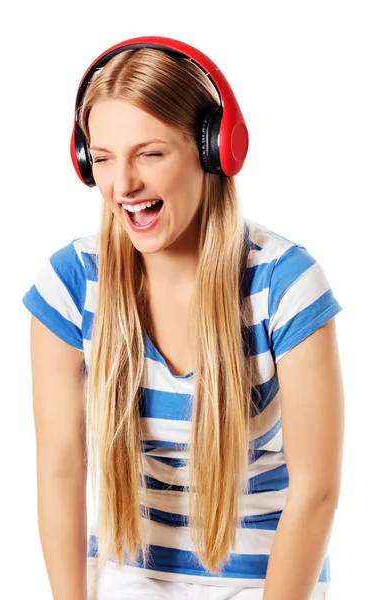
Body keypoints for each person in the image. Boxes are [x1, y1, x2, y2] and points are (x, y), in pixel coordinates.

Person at [21, 37, 344, 600]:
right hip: (131, 571)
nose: (123, 186)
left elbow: (316, 491)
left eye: (150, 154)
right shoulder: (71, 283)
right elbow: (60, 470)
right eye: (102, 159)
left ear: (216, 150)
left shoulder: (285, 284)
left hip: (266, 577)